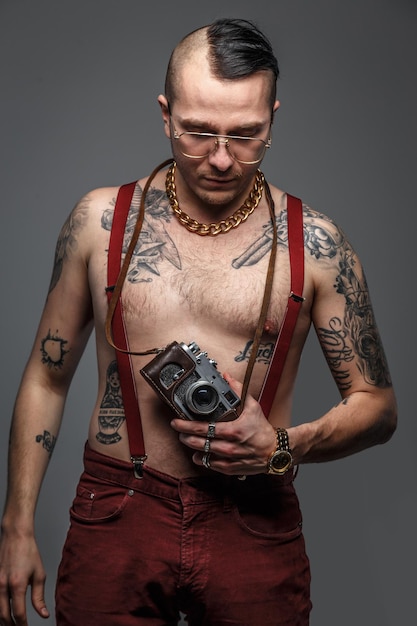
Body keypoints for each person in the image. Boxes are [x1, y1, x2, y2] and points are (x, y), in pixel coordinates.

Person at [0, 17, 397, 626]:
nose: (220, 158)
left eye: (246, 136)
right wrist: (17, 524)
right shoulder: (99, 223)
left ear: (272, 118)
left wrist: (284, 448)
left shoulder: (316, 245)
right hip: (118, 508)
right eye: (197, 133)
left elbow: (377, 405)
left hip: (253, 516)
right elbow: (46, 379)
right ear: (165, 114)